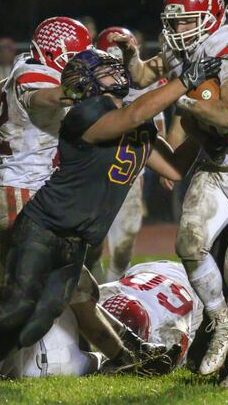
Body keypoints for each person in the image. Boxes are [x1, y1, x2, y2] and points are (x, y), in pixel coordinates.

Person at [0, 48, 220, 382]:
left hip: (77, 239)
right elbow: (128, 119)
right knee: (13, 307)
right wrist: (184, 82)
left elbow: (174, 168)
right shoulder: (85, 114)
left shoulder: (133, 119)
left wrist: (203, 130)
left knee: (37, 320)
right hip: (43, 226)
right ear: (84, 82)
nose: (116, 73)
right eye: (104, 71)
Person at [113, 0, 228, 388]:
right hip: (213, 163)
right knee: (188, 244)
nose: (177, 30)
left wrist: (180, 94)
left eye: (187, 21)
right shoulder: (177, 45)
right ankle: (221, 323)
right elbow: (142, 77)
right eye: (173, 22)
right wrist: (130, 54)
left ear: (209, 17)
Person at [0, 16, 91, 290]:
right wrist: (91, 87)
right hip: (23, 189)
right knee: (16, 291)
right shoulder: (33, 73)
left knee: (70, 286)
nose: (79, 65)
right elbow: (51, 97)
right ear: (51, 53)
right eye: (73, 58)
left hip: (41, 187)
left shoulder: (22, 69)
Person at [88, 26, 168, 282]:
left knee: (124, 246)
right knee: (91, 243)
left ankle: (112, 288)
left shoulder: (148, 81)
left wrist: (162, 163)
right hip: (94, 169)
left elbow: (158, 127)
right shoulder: (86, 80)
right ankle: (97, 293)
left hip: (129, 169)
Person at [99, 260, 204, 367]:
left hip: (192, 287)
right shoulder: (103, 294)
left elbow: (168, 362)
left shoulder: (169, 331)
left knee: (193, 359)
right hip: (146, 270)